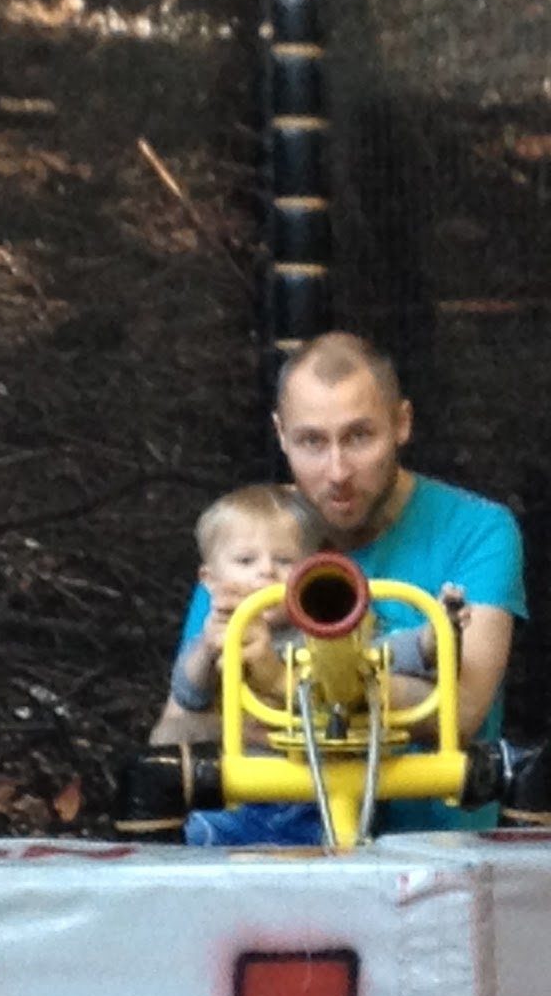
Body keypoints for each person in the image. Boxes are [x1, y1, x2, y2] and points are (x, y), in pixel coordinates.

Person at [153, 331, 527, 837]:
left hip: (434, 850)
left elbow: (461, 713)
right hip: (263, 850)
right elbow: (173, 732)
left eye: (358, 437)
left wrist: (276, 691)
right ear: (281, 435)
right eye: (312, 441)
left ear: (402, 423)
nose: (337, 471)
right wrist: (397, 698)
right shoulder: (255, 533)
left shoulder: (478, 529)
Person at [160, 481, 462, 846]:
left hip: (317, 800)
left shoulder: (322, 628)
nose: (266, 572)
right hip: (237, 796)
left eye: (285, 561)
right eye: (245, 561)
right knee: (193, 843)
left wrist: (432, 637)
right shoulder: (222, 632)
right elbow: (188, 695)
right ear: (210, 580)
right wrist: (208, 650)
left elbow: (381, 656)